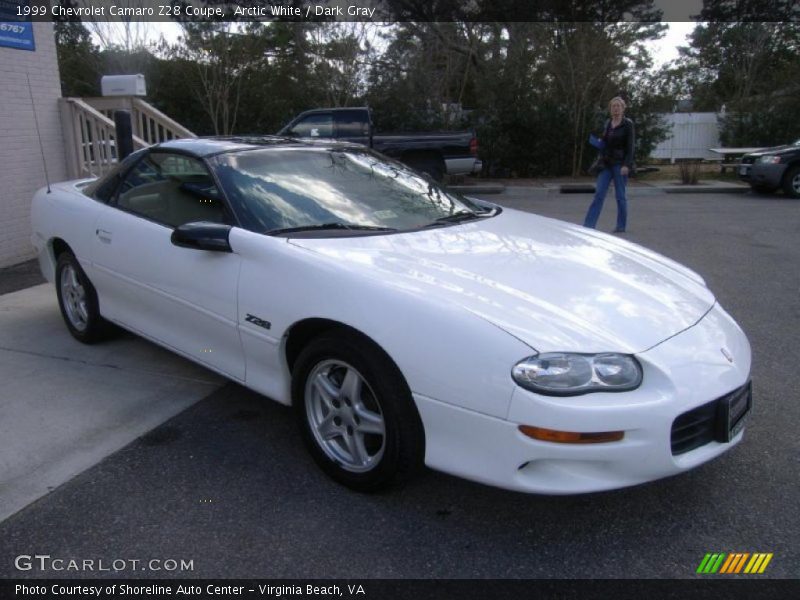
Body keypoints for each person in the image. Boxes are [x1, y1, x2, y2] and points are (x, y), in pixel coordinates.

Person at [583, 96, 635, 233]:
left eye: (618, 106)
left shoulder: (628, 124)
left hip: (620, 164)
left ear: (623, 108)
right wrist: (599, 143)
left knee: (620, 196)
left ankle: (621, 225)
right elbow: (606, 142)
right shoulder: (608, 123)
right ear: (610, 109)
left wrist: (626, 165)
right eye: (613, 106)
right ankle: (589, 225)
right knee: (599, 193)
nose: (615, 108)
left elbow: (630, 147)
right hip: (606, 163)